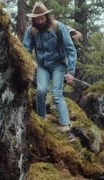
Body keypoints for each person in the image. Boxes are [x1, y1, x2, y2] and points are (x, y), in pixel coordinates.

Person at [23, 1, 77, 142]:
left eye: (42, 18)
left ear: (47, 16)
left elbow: (71, 50)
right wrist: (31, 61)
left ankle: (66, 127)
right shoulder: (32, 30)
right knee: (41, 91)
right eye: (37, 18)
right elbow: (25, 50)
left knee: (56, 93)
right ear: (33, 18)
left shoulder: (58, 27)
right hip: (42, 66)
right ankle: (42, 122)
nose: (39, 21)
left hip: (58, 65)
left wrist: (71, 71)